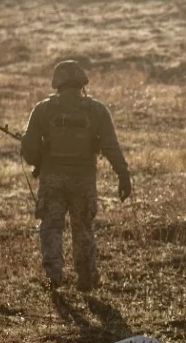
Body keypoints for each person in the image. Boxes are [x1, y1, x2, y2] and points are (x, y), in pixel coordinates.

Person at [21, 60, 132, 292]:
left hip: (52, 179)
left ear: (57, 83)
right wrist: (123, 175)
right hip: (84, 179)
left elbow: (29, 150)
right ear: (82, 83)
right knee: (83, 228)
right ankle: (86, 278)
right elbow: (111, 147)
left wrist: (40, 158)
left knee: (51, 227)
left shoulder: (43, 110)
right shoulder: (97, 111)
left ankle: (54, 276)